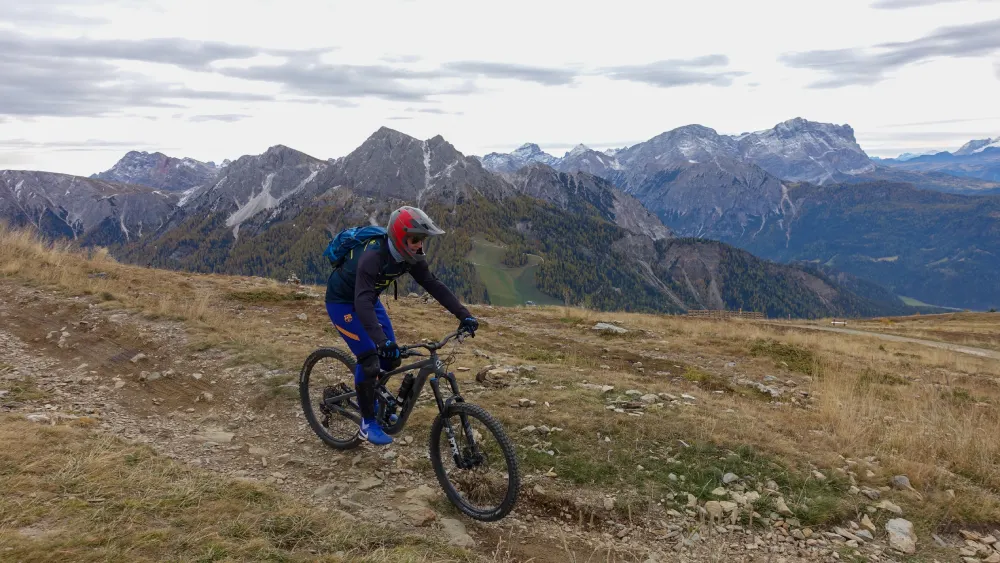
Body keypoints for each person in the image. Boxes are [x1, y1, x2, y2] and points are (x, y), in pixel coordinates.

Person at [324, 206, 479, 445]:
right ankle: (367, 422)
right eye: (415, 239)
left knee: (392, 358)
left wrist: (464, 315)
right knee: (370, 359)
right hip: (343, 303)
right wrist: (380, 341)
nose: (420, 245)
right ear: (399, 236)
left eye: (423, 240)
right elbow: (361, 301)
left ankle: (375, 398)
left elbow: (433, 284)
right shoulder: (373, 256)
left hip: (368, 299)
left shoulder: (412, 257)